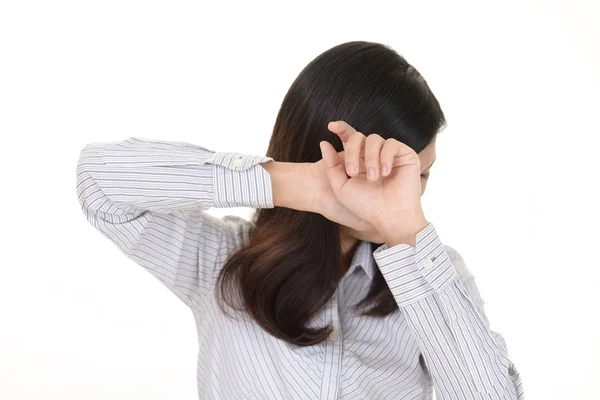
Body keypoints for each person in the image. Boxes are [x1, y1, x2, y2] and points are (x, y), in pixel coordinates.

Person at [76, 41, 524, 399]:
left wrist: (406, 233)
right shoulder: (220, 259)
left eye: (421, 175)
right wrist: (301, 186)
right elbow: (100, 184)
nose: (412, 192)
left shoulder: (434, 279)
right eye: (388, 174)